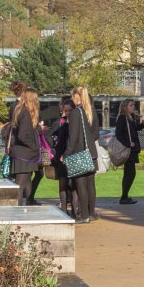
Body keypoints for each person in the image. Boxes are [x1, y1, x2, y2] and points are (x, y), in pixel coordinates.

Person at [60, 87, 98, 222]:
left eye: (73, 96)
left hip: (79, 153)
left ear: (77, 96)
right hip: (91, 153)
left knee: (80, 184)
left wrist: (66, 153)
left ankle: (84, 215)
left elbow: (73, 136)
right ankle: (92, 213)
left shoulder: (76, 113)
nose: (71, 98)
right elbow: (95, 134)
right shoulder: (90, 111)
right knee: (90, 185)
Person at [7, 88, 44, 206]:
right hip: (24, 155)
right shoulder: (25, 113)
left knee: (26, 181)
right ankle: (17, 212)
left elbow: (27, 131)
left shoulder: (21, 111)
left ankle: (29, 201)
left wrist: (38, 129)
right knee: (20, 185)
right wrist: (33, 146)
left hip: (23, 154)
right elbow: (22, 135)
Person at [114, 99, 143, 205]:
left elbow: (134, 130)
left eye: (133, 105)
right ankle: (124, 197)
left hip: (133, 150)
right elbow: (119, 134)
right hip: (128, 150)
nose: (133, 107)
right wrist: (128, 143)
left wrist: (142, 125)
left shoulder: (131, 118)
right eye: (131, 105)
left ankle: (125, 196)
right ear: (125, 107)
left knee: (129, 173)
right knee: (130, 173)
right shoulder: (122, 118)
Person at [52, 98, 75, 213]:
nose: (66, 113)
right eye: (65, 110)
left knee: (73, 185)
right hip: (62, 157)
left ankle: (75, 211)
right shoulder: (61, 122)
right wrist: (58, 156)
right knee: (63, 183)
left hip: (72, 156)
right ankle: (64, 210)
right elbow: (59, 141)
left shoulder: (75, 124)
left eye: (69, 110)